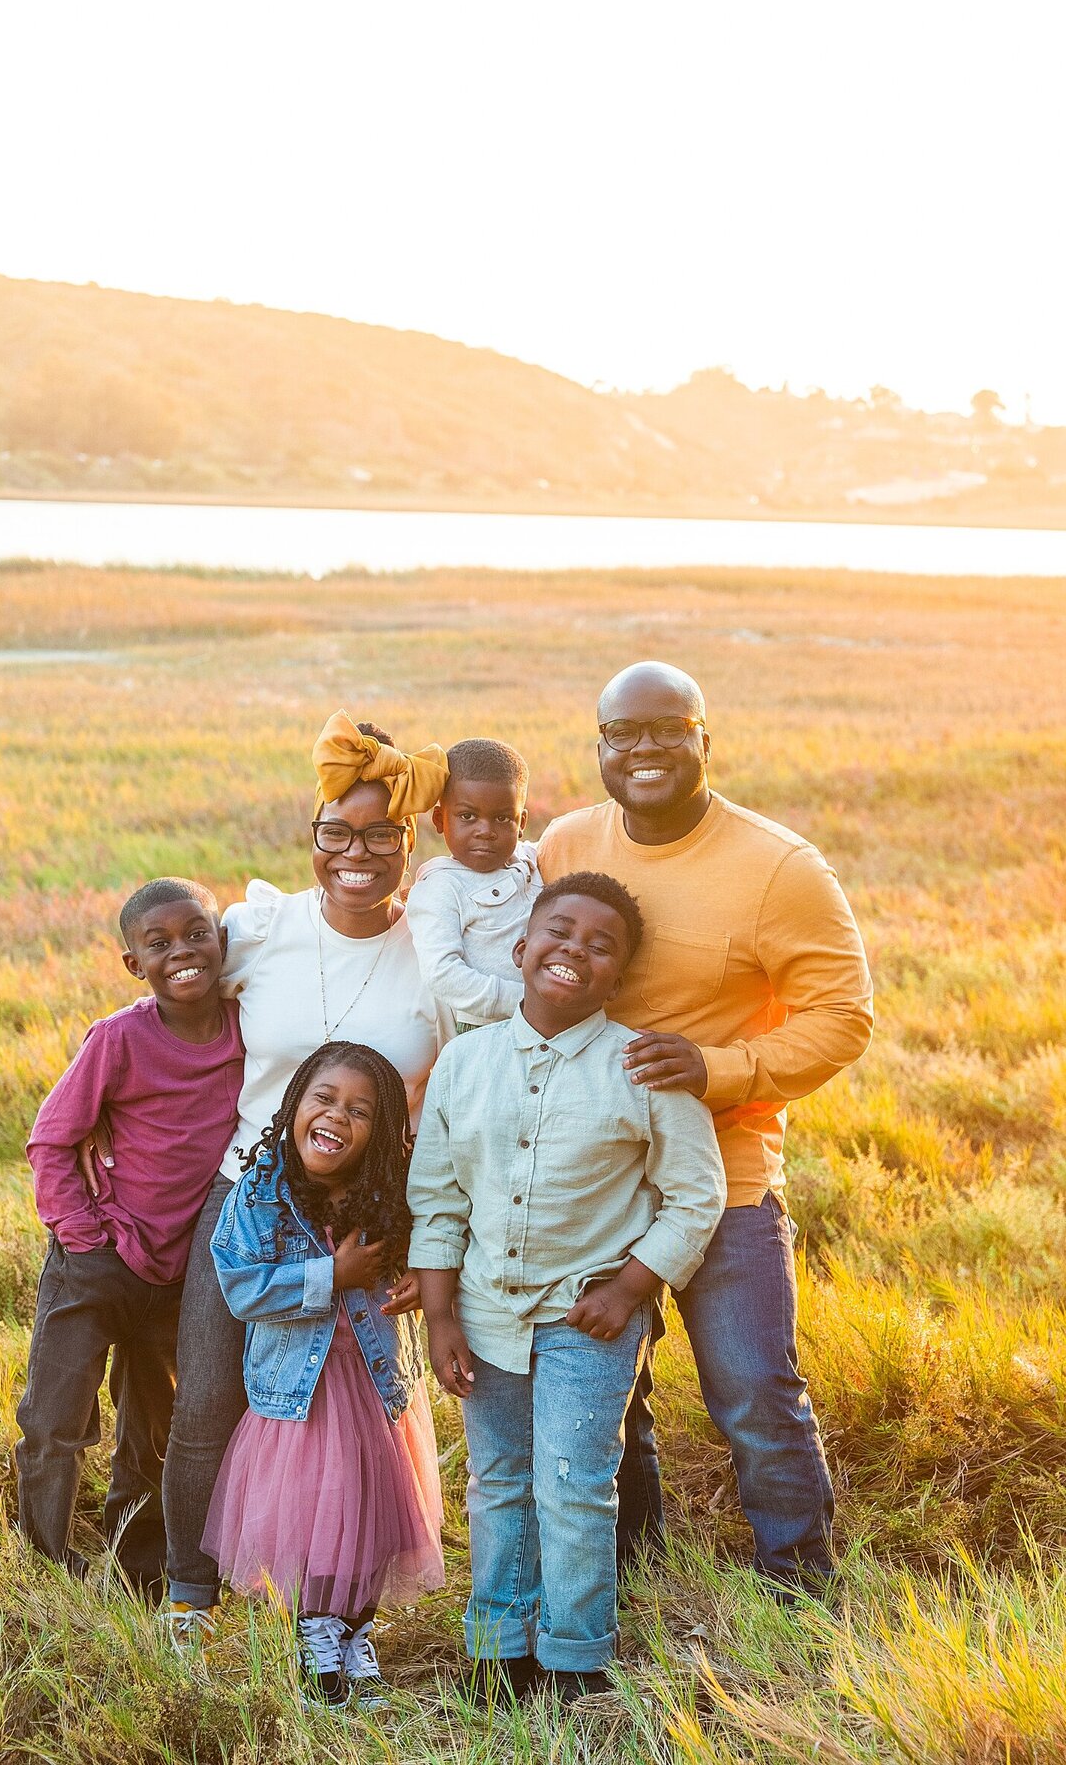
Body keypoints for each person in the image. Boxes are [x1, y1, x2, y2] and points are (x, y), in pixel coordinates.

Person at [537, 661, 874, 1593]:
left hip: (726, 1176)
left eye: (666, 729)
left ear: (704, 741)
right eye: (621, 734)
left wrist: (721, 1069)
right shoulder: (568, 842)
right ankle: (630, 1561)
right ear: (600, 746)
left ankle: (798, 1582)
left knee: (756, 1390)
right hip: (596, 1178)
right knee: (609, 1393)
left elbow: (844, 1016)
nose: (643, 749)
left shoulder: (781, 867)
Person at [156, 711, 453, 1648]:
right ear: (312, 835)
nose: (356, 853)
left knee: (356, 1407)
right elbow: (163, 997)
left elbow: (468, 1091)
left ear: (408, 844)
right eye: (337, 832)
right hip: (249, 1198)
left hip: (370, 1213)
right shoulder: (264, 928)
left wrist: (428, 1243)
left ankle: (334, 1608)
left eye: (380, 835)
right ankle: (190, 1597)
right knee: (211, 1396)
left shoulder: (435, 953)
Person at [408, 873, 725, 1705]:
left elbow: (697, 1194)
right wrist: (440, 1312)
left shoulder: (643, 1067)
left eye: (600, 945)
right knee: (498, 1477)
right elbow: (437, 1198)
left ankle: (576, 1657)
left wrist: (629, 1291)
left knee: (574, 1481)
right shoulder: (464, 1063)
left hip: (590, 1320)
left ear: (618, 975)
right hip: (483, 1312)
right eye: (559, 932)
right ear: (520, 948)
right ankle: (498, 1645)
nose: (574, 951)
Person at [16, 878, 244, 1595]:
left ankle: (139, 1562)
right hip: (97, 1263)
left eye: (196, 933)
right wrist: (80, 1234)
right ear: (133, 964)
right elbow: (52, 1140)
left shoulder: (246, 1030)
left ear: (221, 940)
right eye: (159, 944)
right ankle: (44, 1559)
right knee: (56, 1420)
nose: (182, 952)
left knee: (154, 1425)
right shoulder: (120, 1038)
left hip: (180, 1276)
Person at [204, 1042, 444, 1708]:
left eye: (359, 1110)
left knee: (368, 1510)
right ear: (295, 1105)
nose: (336, 1116)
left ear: (382, 1131)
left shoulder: (389, 1196)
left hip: (373, 1386)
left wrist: (415, 1283)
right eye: (325, 1098)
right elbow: (241, 1289)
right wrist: (331, 1277)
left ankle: (356, 1631)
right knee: (313, 1518)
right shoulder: (262, 1192)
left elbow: (425, 1256)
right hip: (297, 1396)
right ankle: (316, 1633)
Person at [405, 736, 541, 1031]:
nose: (485, 831)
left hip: (549, 1019)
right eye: (467, 816)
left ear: (522, 823)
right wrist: (527, 1000)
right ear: (440, 820)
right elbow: (442, 973)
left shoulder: (532, 860)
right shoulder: (440, 887)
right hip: (484, 1026)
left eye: (503, 818)